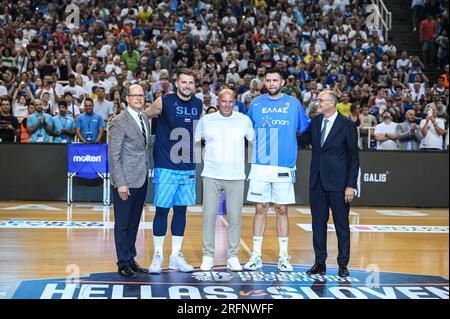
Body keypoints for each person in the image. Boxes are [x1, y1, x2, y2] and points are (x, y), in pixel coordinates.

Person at [244, 69, 311, 272]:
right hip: (261, 163)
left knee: (282, 209)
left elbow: (306, 129)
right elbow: (247, 131)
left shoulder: (294, 104)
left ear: (282, 82)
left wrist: (289, 143)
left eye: (275, 80)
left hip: (284, 164)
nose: (272, 83)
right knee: (260, 208)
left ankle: (283, 256)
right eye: (268, 80)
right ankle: (256, 255)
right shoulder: (256, 104)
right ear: (264, 82)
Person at [144, 68, 202, 274]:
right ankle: (158, 255)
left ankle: (175, 255)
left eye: (191, 83)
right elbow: (143, 117)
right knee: (161, 210)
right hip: (166, 165)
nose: (187, 86)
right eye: (184, 82)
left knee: (181, 210)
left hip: (187, 166)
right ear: (176, 83)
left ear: (194, 85)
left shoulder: (198, 104)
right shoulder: (164, 101)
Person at [297, 90, 359, 278]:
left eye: (320, 100)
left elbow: (353, 158)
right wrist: (285, 130)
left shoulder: (347, 125)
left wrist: (350, 185)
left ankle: (343, 264)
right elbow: (303, 140)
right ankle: (320, 262)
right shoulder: (316, 122)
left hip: (339, 184)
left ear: (331, 103)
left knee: (341, 225)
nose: (317, 103)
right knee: (318, 224)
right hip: (317, 182)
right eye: (317, 100)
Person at [195, 89, 255, 271]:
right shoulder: (207, 120)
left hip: (236, 176)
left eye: (231, 102)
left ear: (235, 102)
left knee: (235, 218)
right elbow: (195, 141)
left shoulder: (244, 120)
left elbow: (253, 141)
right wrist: (202, 160)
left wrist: (249, 164)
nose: (227, 105)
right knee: (209, 216)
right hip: (211, 175)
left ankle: (233, 256)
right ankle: (207, 256)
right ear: (218, 101)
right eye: (224, 101)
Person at [108, 84, 151, 277]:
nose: (139, 98)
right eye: (135, 95)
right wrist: (120, 183)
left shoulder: (145, 119)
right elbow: (114, 155)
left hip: (141, 179)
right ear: (127, 98)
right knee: (123, 224)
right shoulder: (119, 121)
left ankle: (131, 258)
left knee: (134, 224)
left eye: (141, 95)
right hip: (125, 182)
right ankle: (122, 262)